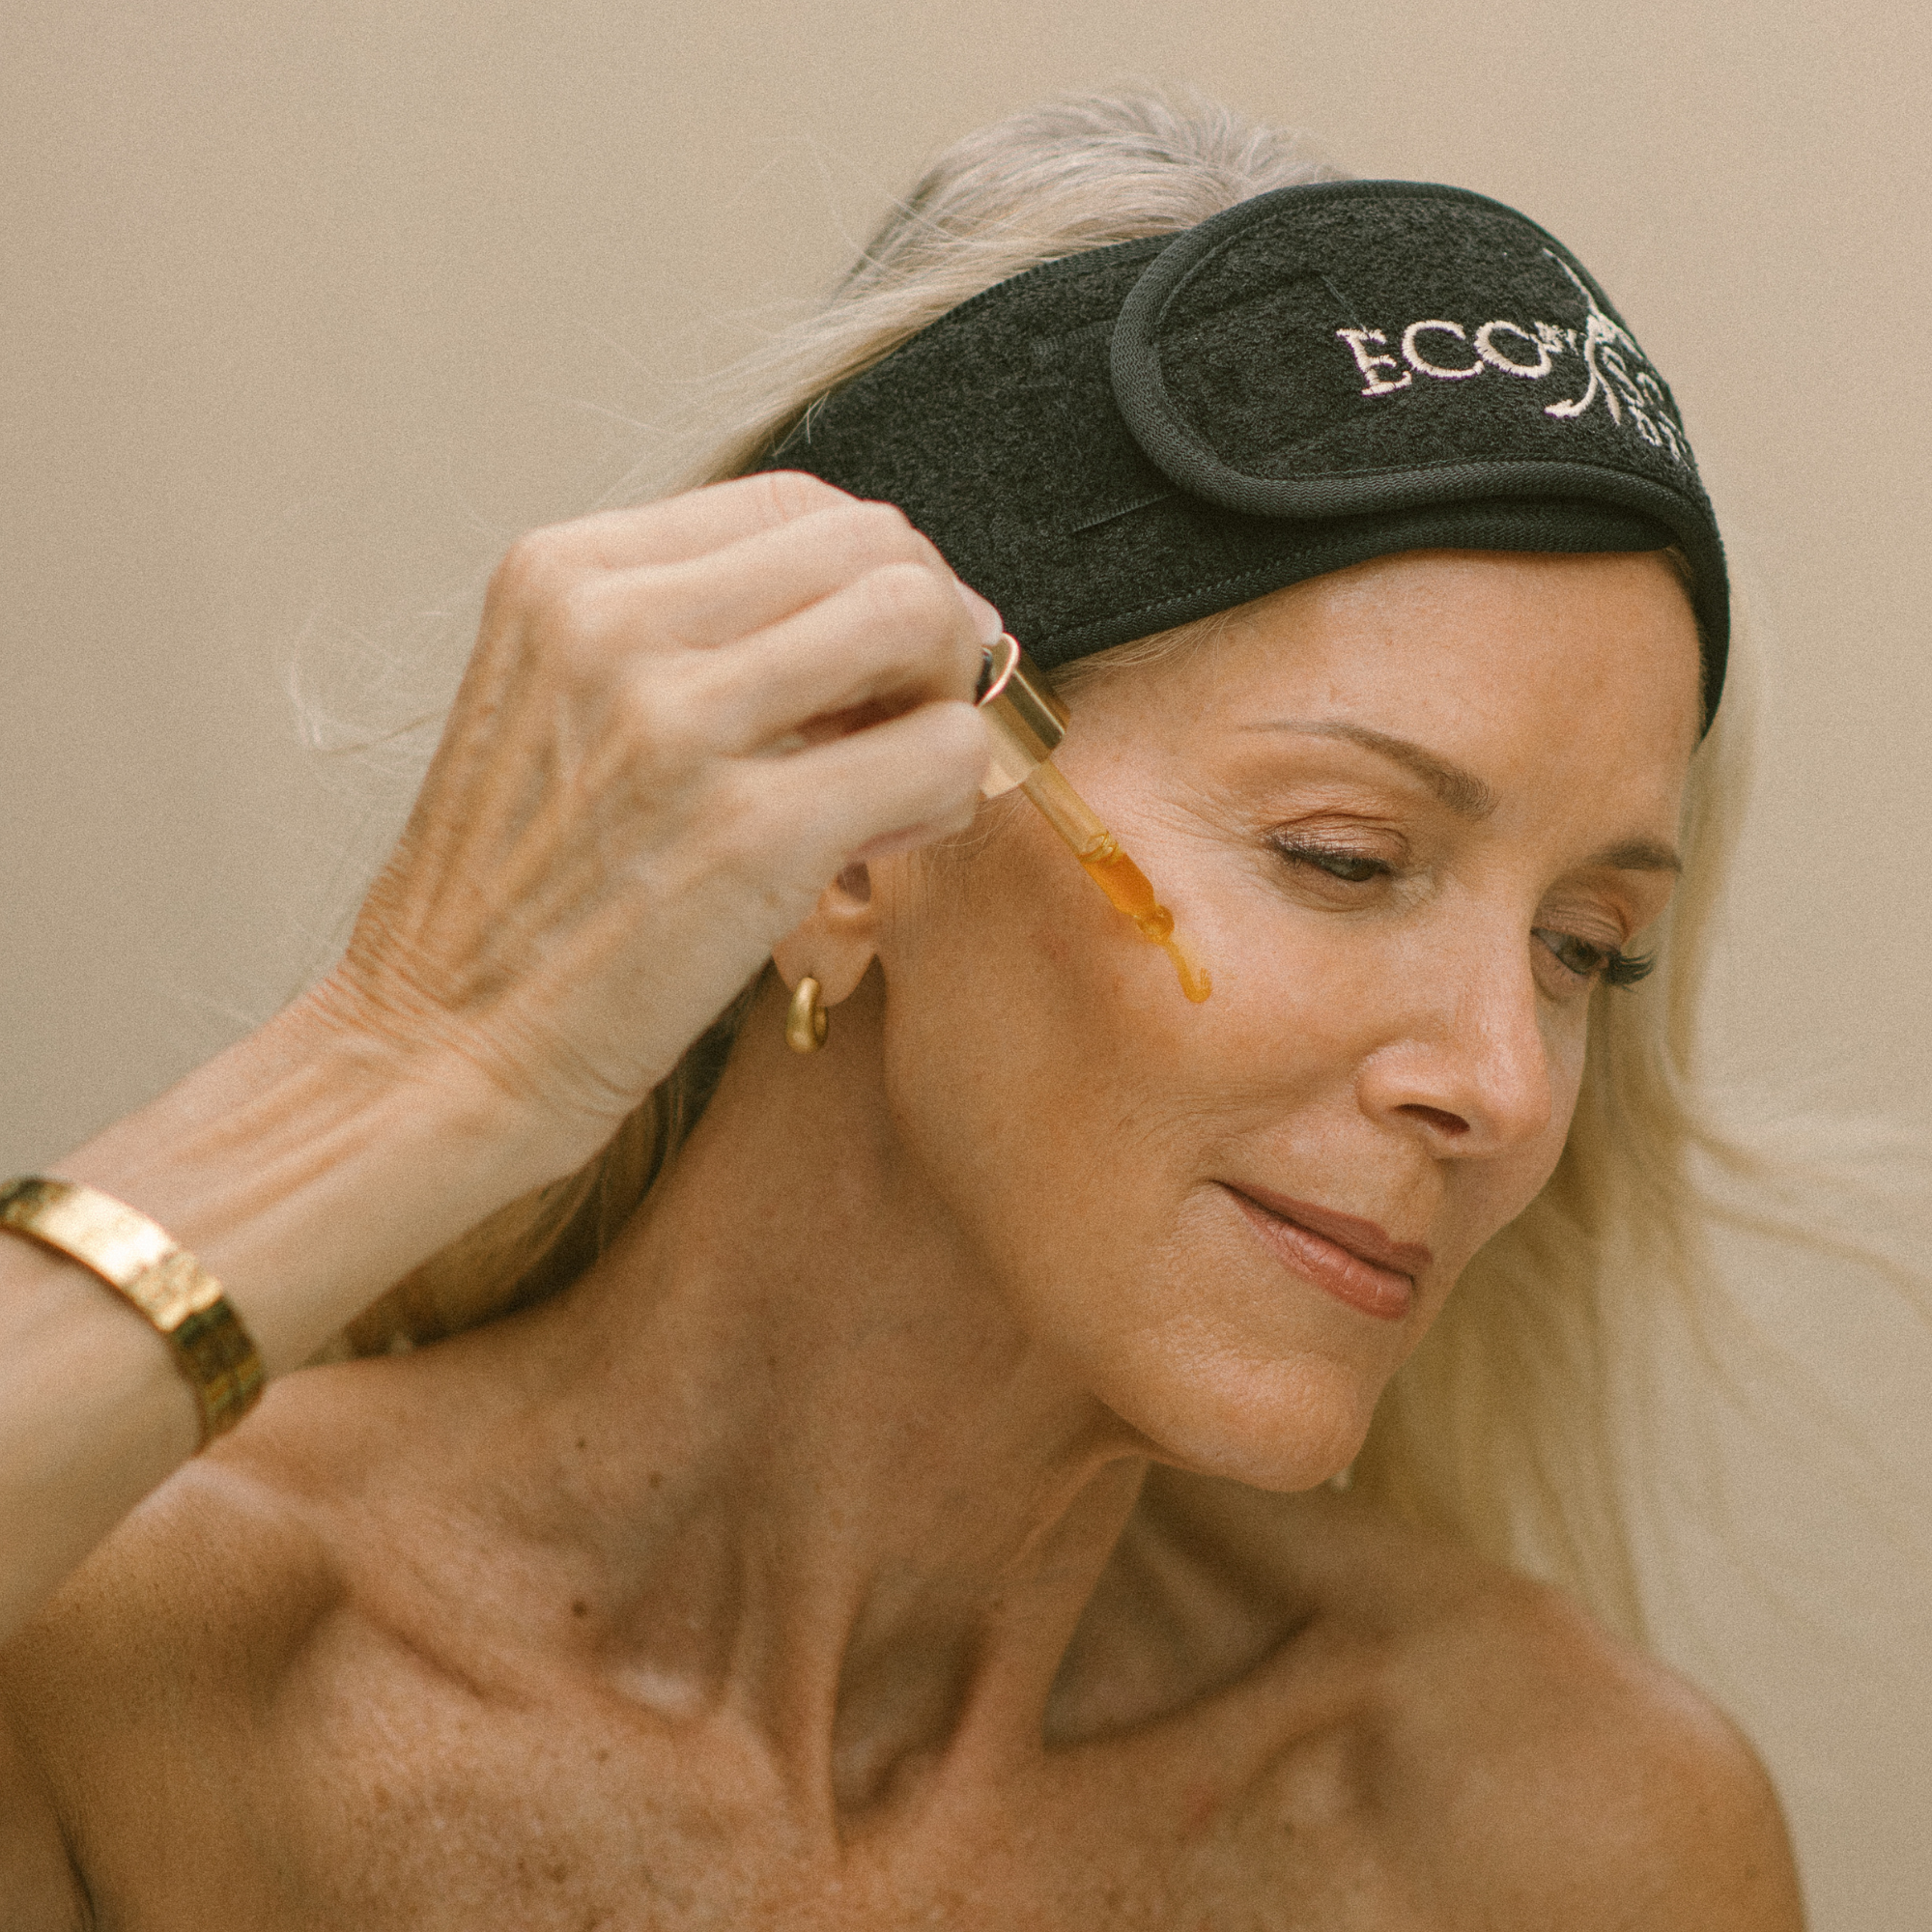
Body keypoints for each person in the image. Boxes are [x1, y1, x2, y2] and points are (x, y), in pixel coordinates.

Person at [0, 89, 1804, 1927]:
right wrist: (413, 1058)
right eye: (1344, 856)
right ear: (861, 816)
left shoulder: (1562, 1836)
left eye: (1587, 948)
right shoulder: (130, 1670)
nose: (1503, 1083)